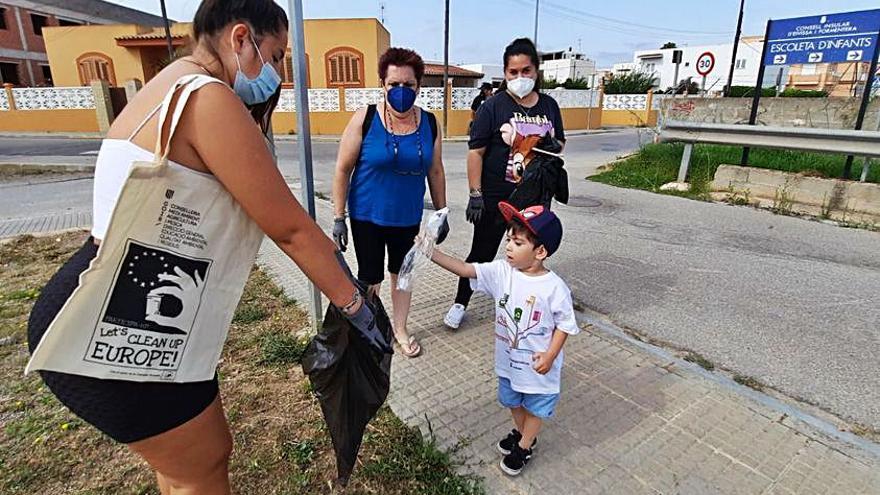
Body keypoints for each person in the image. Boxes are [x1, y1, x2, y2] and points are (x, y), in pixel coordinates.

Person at [26, 2, 381, 493]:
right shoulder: (208, 99)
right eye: (275, 55)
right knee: (206, 463)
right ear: (241, 39)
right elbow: (291, 229)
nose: (277, 73)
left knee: (183, 469)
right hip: (121, 315)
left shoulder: (167, 83)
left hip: (115, 297)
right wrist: (355, 304)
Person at [427, 201, 579, 476]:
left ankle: (524, 445)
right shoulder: (501, 271)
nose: (508, 246)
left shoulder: (555, 288)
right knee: (512, 401)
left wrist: (550, 355)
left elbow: (565, 325)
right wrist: (430, 252)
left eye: (517, 243)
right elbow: (465, 269)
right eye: (509, 239)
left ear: (541, 251)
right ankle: (524, 435)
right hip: (509, 363)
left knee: (535, 409)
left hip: (538, 367)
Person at [332, 47, 449, 358]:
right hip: (367, 215)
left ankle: (399, 328)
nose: (401, 91)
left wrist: (441, 212)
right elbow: (343, 169)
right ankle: (369, 330)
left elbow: (435, 171)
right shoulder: (366, 118)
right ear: (382, 84)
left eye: (408, 85)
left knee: (404, 274)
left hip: (407, 217)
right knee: (370, 277)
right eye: (393, 84)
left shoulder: (430, 123)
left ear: (418, 86)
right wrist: (338, 216)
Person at [444, 37, 566, 330]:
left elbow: (560, 144)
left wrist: (552, 143)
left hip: (536, 197)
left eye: (526, 71)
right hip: (497, 195)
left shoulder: (549, 106)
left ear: (536, 71)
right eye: (513, 72)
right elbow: (476, 152)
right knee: (481, 254)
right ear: (505, 72)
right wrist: (476, 194)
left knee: (528, 255)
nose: (520, 78)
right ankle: (461, 302)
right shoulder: (493, 106)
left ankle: (524, 304)